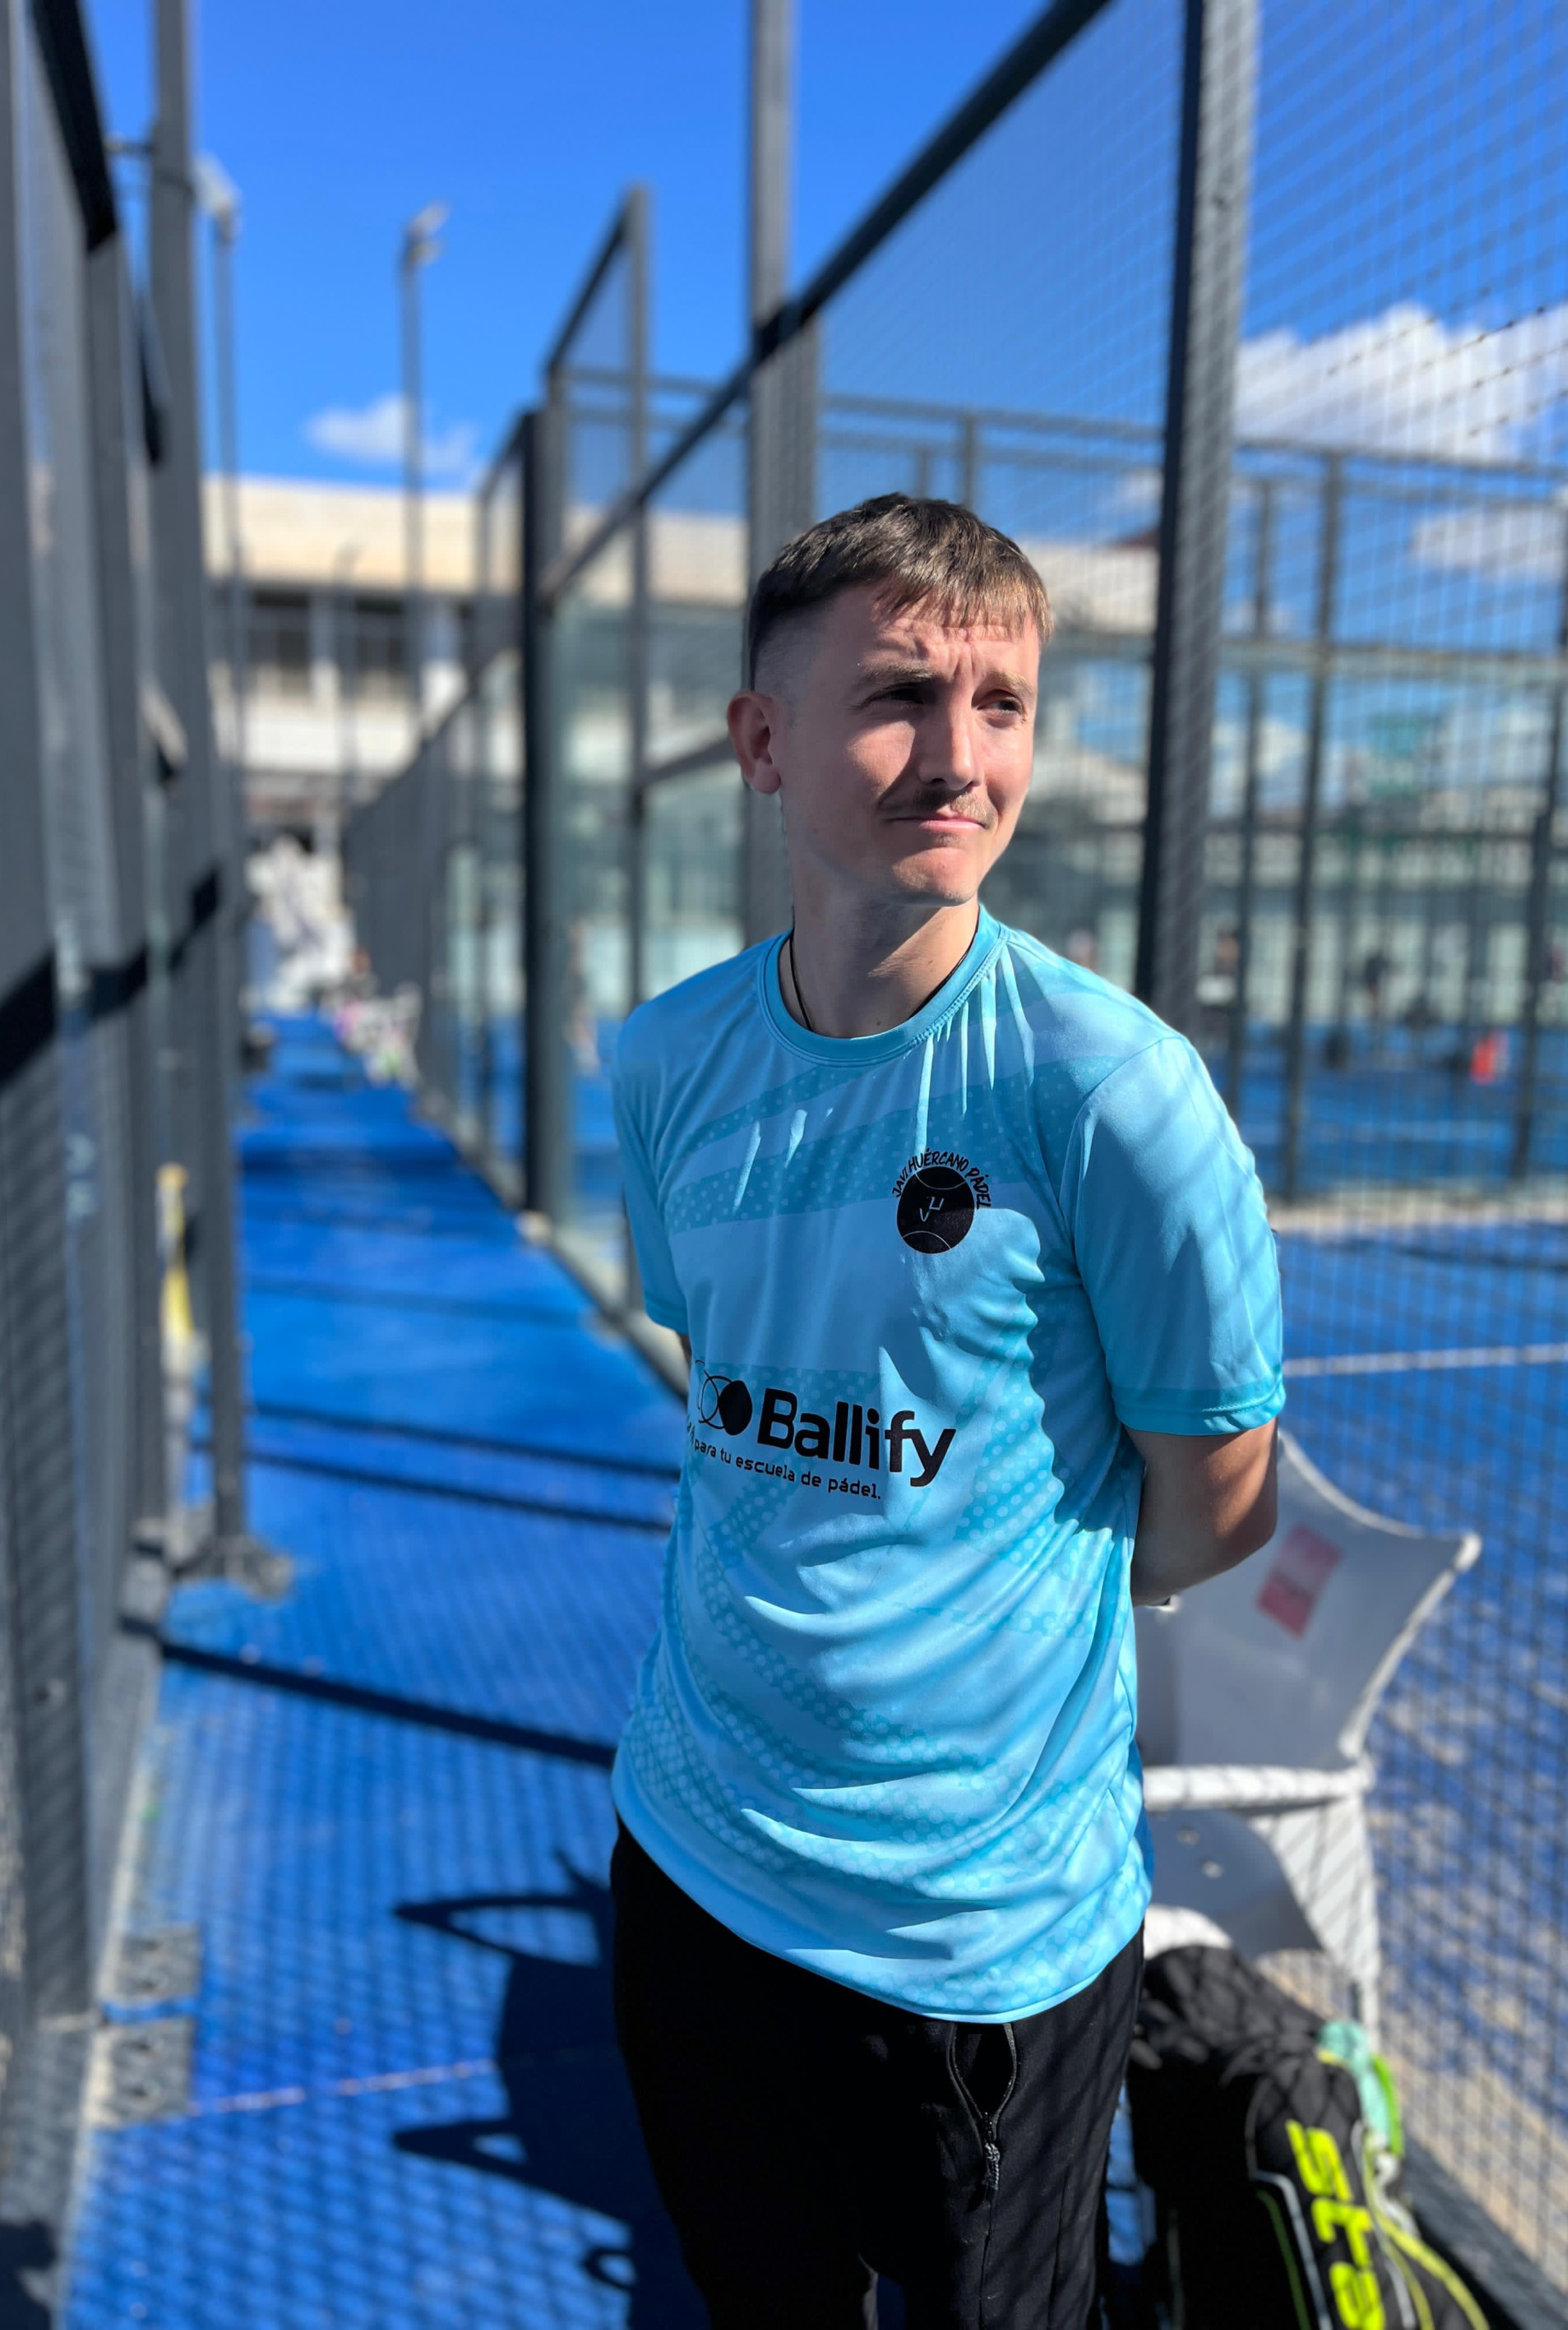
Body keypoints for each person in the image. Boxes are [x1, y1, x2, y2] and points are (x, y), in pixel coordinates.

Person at [608, 496, 1284, 2329]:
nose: (959, 757)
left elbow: (1218, 1497)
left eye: (1001, 706)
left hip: (976, 1932)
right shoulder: (664, 1061)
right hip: (691, 1855)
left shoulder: (1112, 1090)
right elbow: (727, 1375)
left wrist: (1002, 1611)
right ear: (763, 741)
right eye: (899, 696)